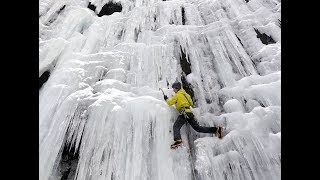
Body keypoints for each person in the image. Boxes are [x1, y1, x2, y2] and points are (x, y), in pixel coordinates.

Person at [163, 82, 222, 148]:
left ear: (176, 88)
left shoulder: (177, 95)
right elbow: (191, 103)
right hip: (189, 113)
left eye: (173, 88)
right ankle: (216, 129)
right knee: (198, 128)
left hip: (184, 113)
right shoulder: (186, 94)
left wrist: (166, 98)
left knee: (176, 126)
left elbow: (170, 103)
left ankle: (178, 140)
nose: (173, 90)